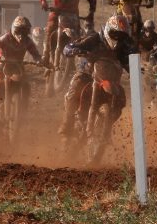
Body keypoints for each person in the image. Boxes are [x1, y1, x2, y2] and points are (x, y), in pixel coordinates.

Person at [58, 14, 137, 144]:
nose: (118, 38)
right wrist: (74, 50)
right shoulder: (94, 39)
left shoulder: (124, 45)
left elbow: (130, 59)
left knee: (121, 99)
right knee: (75, 89)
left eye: (121, 35)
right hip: (87, 73)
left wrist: (135, 69)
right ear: (108, 30)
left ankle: (106, 125)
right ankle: (67, 125)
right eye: (115, 33)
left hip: (111, 78)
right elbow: (69, 47)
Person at [0, 16, 42, 122]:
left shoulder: (28, 41)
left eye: (24, 31)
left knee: (26, 85)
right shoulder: (4, 38)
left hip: (19, 66)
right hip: (4, 63)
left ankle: (23, 109)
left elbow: (35, 53)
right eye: (19, 30)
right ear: (14, 29)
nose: (21, 34)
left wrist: (39, 60)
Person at [39, 0, 96, 66]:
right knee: (50, 27)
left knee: (78, 34)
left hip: (72, 14)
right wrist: (43, 1)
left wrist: (91, 13)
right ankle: (45, 55)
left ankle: (79, 61)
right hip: (57, 12)